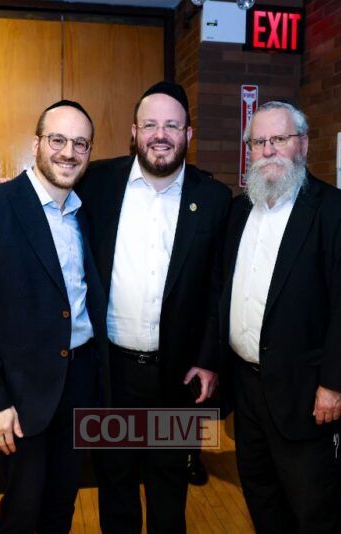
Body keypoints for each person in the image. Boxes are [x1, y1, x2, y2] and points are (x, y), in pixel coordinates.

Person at [77, 81, 231, 534]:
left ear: (188, 134)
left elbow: (218, 288)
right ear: (133, 132)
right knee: (115, 483)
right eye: (150, 125)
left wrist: (208, 358)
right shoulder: (97, 182)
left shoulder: (214, 198)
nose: (160, 135)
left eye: (172, 125)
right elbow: (46, 188)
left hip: (178, 376)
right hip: (111, 374)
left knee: (170, 486)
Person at [0, 100, 109, 533]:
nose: (68, 152)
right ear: (36, 143)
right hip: (21, 391)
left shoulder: (84, 211)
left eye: (81, 143)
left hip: (80, 381)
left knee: (62, 503)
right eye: (58, 140)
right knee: (23, 510)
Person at [218, 101, 341, 533]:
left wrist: (335, 385)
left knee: (313, 511)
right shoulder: (238, 211)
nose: (268, 151)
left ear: (302, 144)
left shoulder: (337, 212)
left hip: (308, 396)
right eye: (258, 142)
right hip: (246, 389)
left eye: (279, 139)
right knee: (262, 499)